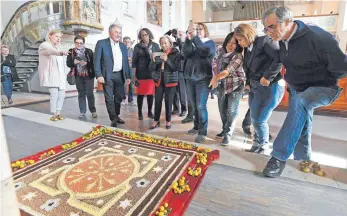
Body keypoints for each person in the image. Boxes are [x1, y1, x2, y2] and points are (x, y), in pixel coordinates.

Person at [261, 6, 347, 177]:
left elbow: (341, 67)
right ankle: (304, 158)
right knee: (301, 121)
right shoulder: (284, 39)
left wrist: (317, 76)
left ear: (287, 22)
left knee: (301, 102)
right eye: (266, 28)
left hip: (324, 88)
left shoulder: (318, 37)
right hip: (297, 89)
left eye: (272, 26)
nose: (268, 31)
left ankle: (278, 157)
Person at [234, 24, 284, 154]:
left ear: (247, 35)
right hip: (255, 86)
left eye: (240, 40)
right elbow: (249, 68)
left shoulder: (264, 41)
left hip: (269, 86)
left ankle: (263, 146)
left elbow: (279, 58)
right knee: (255, 117)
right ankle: (256, 145)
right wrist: (248, 83)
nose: (239, 43)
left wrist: (268, 76)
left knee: (260, 119)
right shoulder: (248, 48)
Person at [209, 32, 245, 146]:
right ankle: (225, 129)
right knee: (222, 110)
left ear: (237, 45)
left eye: (234, 43)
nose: (230, 45)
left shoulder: (238, 56)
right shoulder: (220, 50)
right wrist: (216, 75)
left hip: (235, 85)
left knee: (231, 111)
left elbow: (228, 71)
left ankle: (228, 134)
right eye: (229, 42)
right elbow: (214, 63)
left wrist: (216, 77)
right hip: (222, 85)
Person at [183, 22, 216, 143]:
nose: (197, 31)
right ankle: (196, 126)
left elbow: (204, 52)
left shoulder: (210, 43)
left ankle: (203, 131)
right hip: (189, 79)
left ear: (205, 31)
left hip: (203, 79)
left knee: (201, 106)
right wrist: (187, 40)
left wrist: (195, 37)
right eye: (194, 29)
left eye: (199, 29)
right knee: (193, 104)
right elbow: (185, 53)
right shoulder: (192, 42)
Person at [94, 23, 131, 127]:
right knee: (109, 97)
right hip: (107, 75)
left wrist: (127, 76)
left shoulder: (123, 46)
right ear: (110, 32)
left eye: (120, 32)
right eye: (116, 32)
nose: (118, 34)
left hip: (120, 75)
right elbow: (96, 61)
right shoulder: (101, 43)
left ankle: (117, 115)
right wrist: (99, 75)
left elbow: (125, 63)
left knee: (118, 97)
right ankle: (113, 118)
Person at [149, 35, 180, 130]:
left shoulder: (175, 53)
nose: (163, 45)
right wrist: (153, 60)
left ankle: (168, 120)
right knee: (157, 100)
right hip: (159, 79)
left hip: (170, 80)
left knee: (168, 101)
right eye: (161, 43)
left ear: (170, 44)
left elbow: (176, 67)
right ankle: (156, 120)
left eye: (165, 43)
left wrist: (167, 60)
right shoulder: (158, 53)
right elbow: (151, 68)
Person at [38, 30, 69, 121]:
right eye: (56, 36)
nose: (59, 39)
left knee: (62, 95)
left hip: (60, 76)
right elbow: (50, 51)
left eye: (60, 37)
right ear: (50, 36)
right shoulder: (44, 45)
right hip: (51, 75)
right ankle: (54, 113)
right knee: (54, 95)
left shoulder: (58, 47)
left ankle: (58, 112)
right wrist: (61, 52)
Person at [132, 28, 160, 120]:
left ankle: (149, 112)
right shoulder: (137, 46)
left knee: (150, 94)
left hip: (151, 73)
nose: (144, 37)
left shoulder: (155, 45)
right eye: (142, 35)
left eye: (146, 35)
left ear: (149, 35)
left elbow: (159, 58)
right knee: (140, 94)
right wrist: (134, 76)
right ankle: (140, 112)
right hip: (141, 73)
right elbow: (134, 62)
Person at [67, 36, 97, 119]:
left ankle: (93, 111)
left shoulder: (89, 51)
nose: (79, 44)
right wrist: (74, 62)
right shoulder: (71, 51)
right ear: (74, 43)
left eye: (81, 43)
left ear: (83, 43)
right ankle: (82, 112)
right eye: (77, 43)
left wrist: (87, 63)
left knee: (90, 94)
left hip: (88, 75)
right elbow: (68, 63)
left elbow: (94, 63)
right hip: (78, 76)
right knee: (81, 94)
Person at [122, 36, 136, 106]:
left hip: (131, 69)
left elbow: (136, 60)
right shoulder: (120, 50)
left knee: (132, 85)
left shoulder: (133, 50)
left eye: (128, 42)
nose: (127, 43)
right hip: (124, 69)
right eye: (125, 42)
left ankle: (131, 100)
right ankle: (123, 99)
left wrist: (132, 60)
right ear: (123, 42)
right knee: (124, 85)